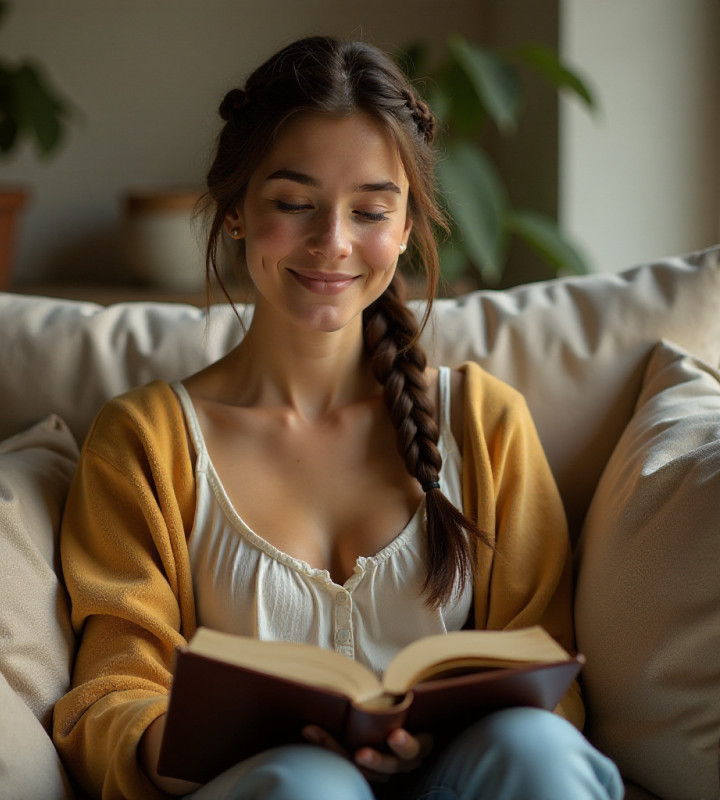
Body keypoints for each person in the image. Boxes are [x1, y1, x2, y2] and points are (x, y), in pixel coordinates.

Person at [53, 35, 623, 800]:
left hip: (460, 778)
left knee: (538, 751)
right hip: (268, 788)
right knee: (310, 787)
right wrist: (243, 739)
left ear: (408, 225)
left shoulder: (484, 425)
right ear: (235, 213)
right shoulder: (145, 443)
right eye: (294, 204)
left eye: (371, 210)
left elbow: (547, 666)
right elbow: (113, 697)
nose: (333, 243)